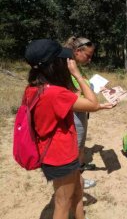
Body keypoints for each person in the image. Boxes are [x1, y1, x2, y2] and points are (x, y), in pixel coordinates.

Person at [24, 39, 104, 218]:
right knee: (62, 203)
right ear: (54, 65)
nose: (67, 63)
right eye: (63, 60)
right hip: (60, 156)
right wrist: (77, 75)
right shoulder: (55, 94)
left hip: (55, 152)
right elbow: (93, 103)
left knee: (78, 190)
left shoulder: (34, 89)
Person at [64, 36, 115, 189]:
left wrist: (99, 87)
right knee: (75, 147)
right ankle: (76, 182)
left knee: (79, 146)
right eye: (88, 55)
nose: (90, 59)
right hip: (75, 113)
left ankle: (80, 168)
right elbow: (74, 96)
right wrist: (99, 106)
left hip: (82, 112)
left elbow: (85, 85)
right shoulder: (68, 69)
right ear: (78, 51)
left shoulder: (75, 66)